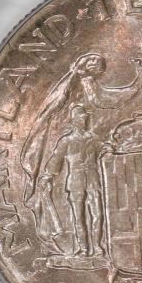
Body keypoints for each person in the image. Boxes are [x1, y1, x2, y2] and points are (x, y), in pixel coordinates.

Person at [38, 105, 104, 256]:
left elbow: (105, 148)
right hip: (75, 181)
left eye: (84, 118)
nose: (84, 121)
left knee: (97, 214)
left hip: (93, 180)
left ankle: (97, 246)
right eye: (81, 118)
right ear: (74, 121)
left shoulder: (93, 139)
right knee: (78, 216)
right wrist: (47, 176)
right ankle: (84, 248)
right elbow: (56, 159)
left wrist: (111, 147)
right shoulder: (66, 141)